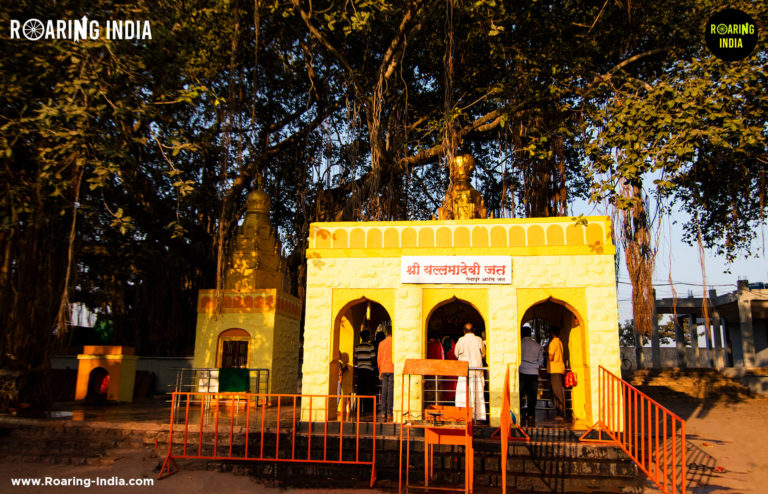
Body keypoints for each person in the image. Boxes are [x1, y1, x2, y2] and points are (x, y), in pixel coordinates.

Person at [454, 323, 486, 422]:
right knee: (478, 395)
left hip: (464, 372)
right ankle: (478, 417)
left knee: (463, 395)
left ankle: (463, 417)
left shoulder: (460, 340)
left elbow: (455, 354)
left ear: (464, 331)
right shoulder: (479, 340)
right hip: (476, 371)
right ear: (474, 330)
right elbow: (484, 355)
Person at [519, 325, 543, 426]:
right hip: (533, 372)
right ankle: (530, 414)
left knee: (520, 393)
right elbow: (541, 361)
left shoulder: (519, 344)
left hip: (522, 370)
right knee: (532, 395)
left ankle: (520, 412)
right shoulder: (537, 345)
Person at [354, 329, 377, 415]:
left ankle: (359, 408)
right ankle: (368, 409)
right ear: (368, 337)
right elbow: (373, 359)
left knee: (360, 390)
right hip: (368, 370)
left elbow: (355, 359)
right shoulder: (370, 346)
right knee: (368, 390)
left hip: (360, 370)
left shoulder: (357, 347)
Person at [547, 325, 567, 421]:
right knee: (558, 390)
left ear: (552, 333)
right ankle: (560, 411)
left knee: (557, 391)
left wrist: (546, 354)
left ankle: (560, 412)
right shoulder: (560, 343)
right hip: (559, 368)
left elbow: (551, 357)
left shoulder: (553, 344)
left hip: (554, 369)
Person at [376, 323, 394, 421]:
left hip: (384, 369)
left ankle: (383, 412)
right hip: (392, 368)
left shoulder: (381, 343)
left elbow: (379, 359)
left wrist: (380, 370)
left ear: (386, 333)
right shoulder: (395, 344)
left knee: (384, 390)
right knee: (390, 391)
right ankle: (390, 412)